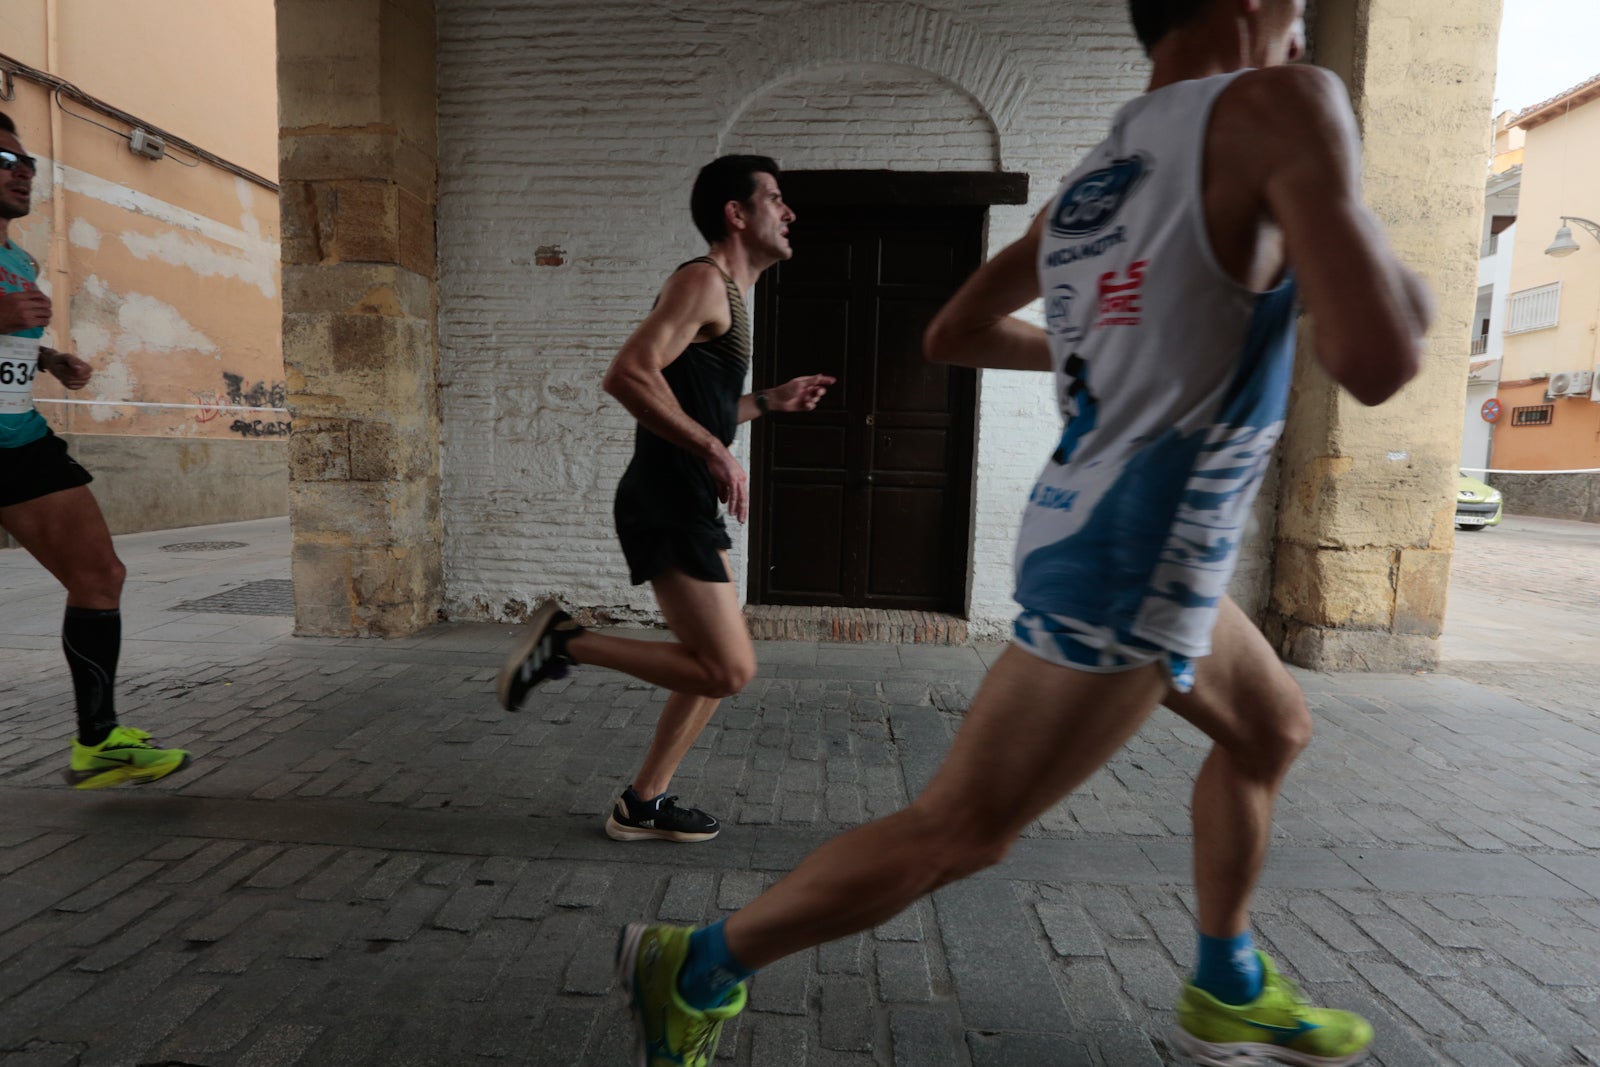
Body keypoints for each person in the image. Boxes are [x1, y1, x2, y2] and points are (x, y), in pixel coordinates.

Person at [612, 1, 1434, 1063]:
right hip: (1139, 558)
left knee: (1271, 729)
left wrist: (1113, 356)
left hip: (1116, 533)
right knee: (962, 829)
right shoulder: (1286, 103)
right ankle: (697, 963)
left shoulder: (1103, 173)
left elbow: (952, 331)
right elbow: (1378, 356)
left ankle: (1227, 979)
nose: (1305, 22)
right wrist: (1371, 246)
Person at [497, 155, 834, 844]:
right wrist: (712, 450)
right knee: (729, 668)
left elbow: (699, 408)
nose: (789, 211)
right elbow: (626, 374)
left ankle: (643, 802)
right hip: (666, 495)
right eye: (775, 198)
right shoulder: (702, 281)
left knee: (715, 662)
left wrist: (769, 401)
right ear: (736, 214)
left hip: (681, 495)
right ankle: (565, 641)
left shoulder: (730, 299)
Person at [0, 112, 191, 790]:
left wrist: (49, 357)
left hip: (17, 440)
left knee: (100, 574)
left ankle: (100, 741)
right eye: (2, 157)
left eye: (27, 163)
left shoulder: (17, 258)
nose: (20, 171)